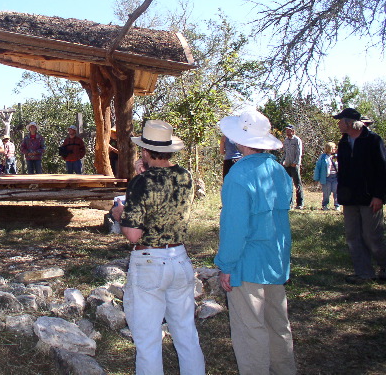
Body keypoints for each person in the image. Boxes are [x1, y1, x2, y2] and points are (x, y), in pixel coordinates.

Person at [110, 120, 205, 375]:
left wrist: (119, 214)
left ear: (145, 151)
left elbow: (133, 234)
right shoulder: (185, 176)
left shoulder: (142, 183)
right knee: (186, 334)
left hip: (149, 261)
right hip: (180, 258)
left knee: (148, 340)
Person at [215, 109, 296, 375]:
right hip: (275, 258)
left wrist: (226, 265)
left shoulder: (238, 175)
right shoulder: (279, 171)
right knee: (278, 324)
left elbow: (235, 227)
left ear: (240, 140)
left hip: (247, 263)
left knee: (251, 329)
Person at [333, 107, 386, 284]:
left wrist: (379, 196)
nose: (339, 124)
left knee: (372, 236)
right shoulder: (343, 142)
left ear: (349, 122)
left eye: (341, 121)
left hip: (370, 198)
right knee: (353, 236)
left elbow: (382, 170)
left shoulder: (373, 140)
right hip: (349, 199)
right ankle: (364, 273)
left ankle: (384, 267)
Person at [282, 124, 304, 209]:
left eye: (289, 130)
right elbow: (285, 153)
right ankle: (289, 203)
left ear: (293, 131)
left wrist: (296, 163)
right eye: (286, 130)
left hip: (294, 166)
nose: (287, 131)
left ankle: (300, 203)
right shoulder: (286, 141)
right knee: (288, 184)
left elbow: (299, 153)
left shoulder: (297, 140)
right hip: (287, 165)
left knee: (297, 184)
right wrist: (282, 162)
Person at [314, 142, 340, 211]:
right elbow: (318, 167)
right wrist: (316, 178)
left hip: (336, 177)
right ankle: (325, 205)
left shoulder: (336, 156)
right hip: (326, 178)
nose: (335, 149)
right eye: (334, 147)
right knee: (326, 193)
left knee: (336, 192)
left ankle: (337, 205)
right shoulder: (323, 157)